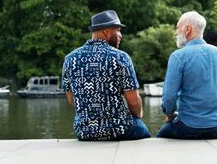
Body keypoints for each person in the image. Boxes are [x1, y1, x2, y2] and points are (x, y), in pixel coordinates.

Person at [62, 10, 151, 141]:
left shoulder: (70, 59)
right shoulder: (121, 58)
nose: (120, 35)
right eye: (118, 30)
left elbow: (71, 99)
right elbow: (133, 101)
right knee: (141, 127)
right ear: (106, 31)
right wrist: (138, 115)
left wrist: (93, 112)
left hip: (84, 132)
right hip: (120, 129)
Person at [156, 11, 217, 139]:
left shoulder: (178, 56)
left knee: (160, 137)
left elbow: (169, 97)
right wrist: (216, 105)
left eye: (178, 28)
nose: (176, 33)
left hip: (188, 127)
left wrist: (169, 114)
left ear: (187, 29)